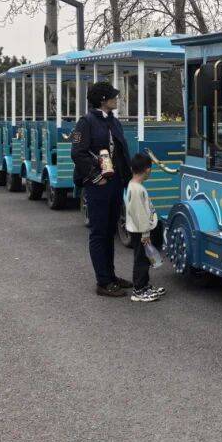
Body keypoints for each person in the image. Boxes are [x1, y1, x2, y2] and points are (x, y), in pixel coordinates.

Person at [72, 82, 133, 298]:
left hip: (115, 183)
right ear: (102, 100)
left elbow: (121, 152)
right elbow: (78, 153)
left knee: (110, 231)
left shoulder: (113, 121)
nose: (117, 100)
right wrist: (95, 177)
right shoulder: (86, 122)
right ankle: (103, 282)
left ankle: (111, 276)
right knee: (99, 233)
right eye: (113, 97)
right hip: (98, 185)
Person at [124, 152, 166, 303]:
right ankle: (139, 290)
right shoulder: (137, 190)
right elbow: (140, 214)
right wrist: (145, 233)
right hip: (141, 231)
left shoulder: (134, 186)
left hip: (140, 230)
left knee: (145, 258)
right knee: (141, 259)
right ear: (148, 170)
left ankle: (145, 286)